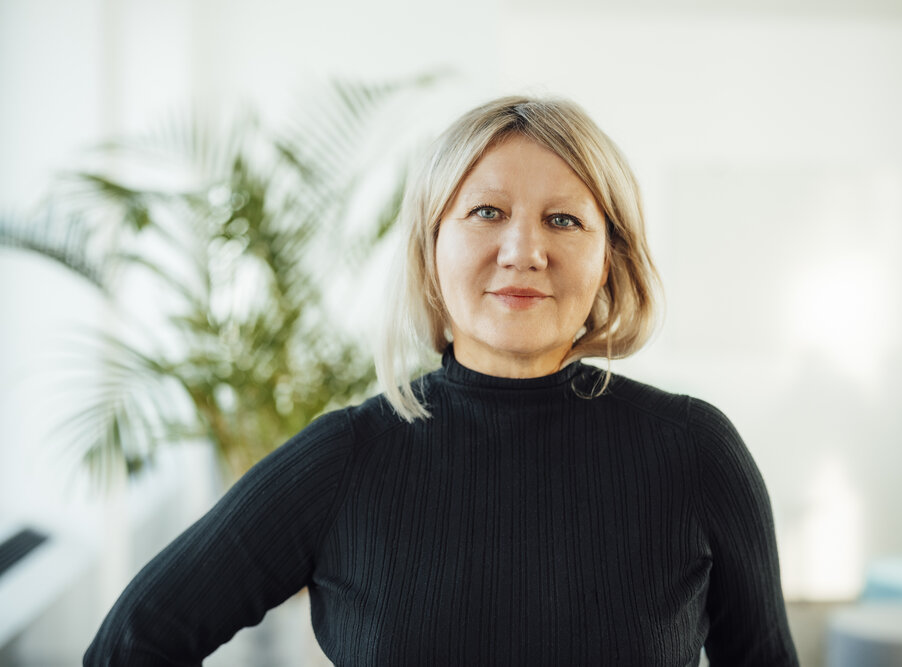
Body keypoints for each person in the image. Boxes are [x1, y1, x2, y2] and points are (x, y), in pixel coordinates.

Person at [85, 96, 799, 666]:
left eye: (564, 220)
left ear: (607, 261)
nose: (525, 251)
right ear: (430, 250)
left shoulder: (695, 450)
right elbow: (133, 644)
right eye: (487, 212)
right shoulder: (344, 457)